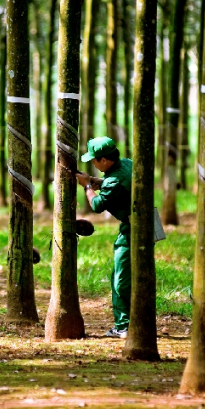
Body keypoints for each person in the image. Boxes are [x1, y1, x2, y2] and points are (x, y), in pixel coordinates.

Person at [76, 137, 132, 339]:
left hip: (133, 229)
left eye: (94, 160)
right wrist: (93, 181)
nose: (92, 163)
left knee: (121, 279)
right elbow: (114, 186)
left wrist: (87, 187)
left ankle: (124, 326)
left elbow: (98, 205)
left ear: (104, 161)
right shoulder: (126, 164)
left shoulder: (114, 180)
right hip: (145, 222)